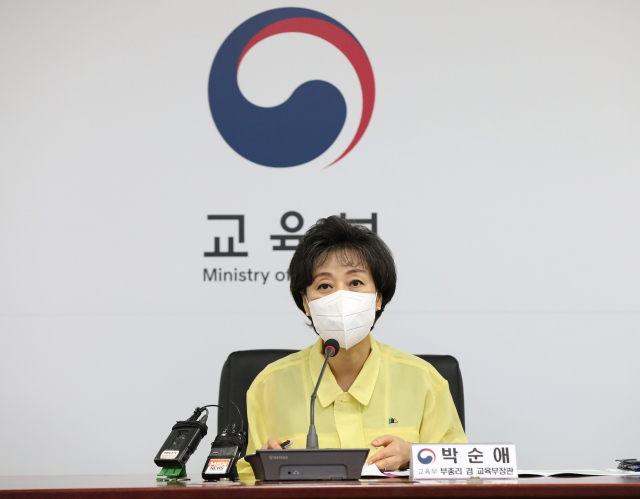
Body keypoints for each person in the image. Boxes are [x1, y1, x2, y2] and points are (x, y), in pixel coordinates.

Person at [236, 216, 466, 479]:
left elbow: (460, 471)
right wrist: (265, 469)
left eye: (355, 283)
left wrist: (414, 458)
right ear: (306, 303)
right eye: (324, 286)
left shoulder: (425, 381)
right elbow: (246, 481)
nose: (340, 296)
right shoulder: (268, 386)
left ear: (378, 297)